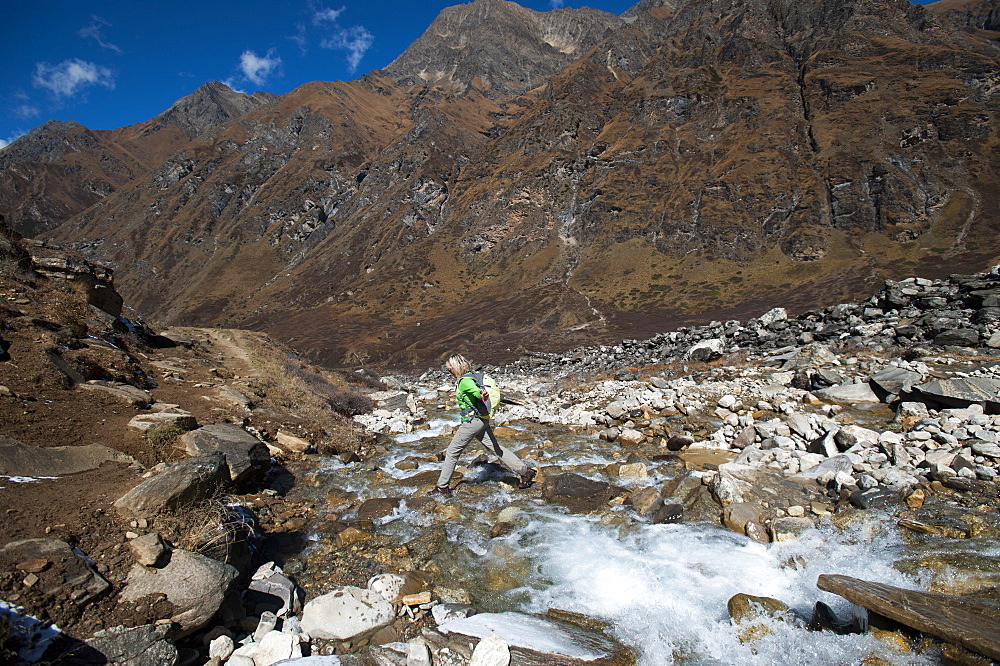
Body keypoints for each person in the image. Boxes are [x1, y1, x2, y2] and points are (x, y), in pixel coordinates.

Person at [429, 354, 535, 497]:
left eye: (450, 369)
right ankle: (525, 471)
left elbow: (476, 392)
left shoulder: (465, 382)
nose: (449, 372)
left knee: (452, 452)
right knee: (496, 448)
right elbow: (472, 392)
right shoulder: (471, 376)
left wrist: (481, 394)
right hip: (481, 419)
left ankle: (442, 487)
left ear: (457, 367)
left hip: (473, 422)